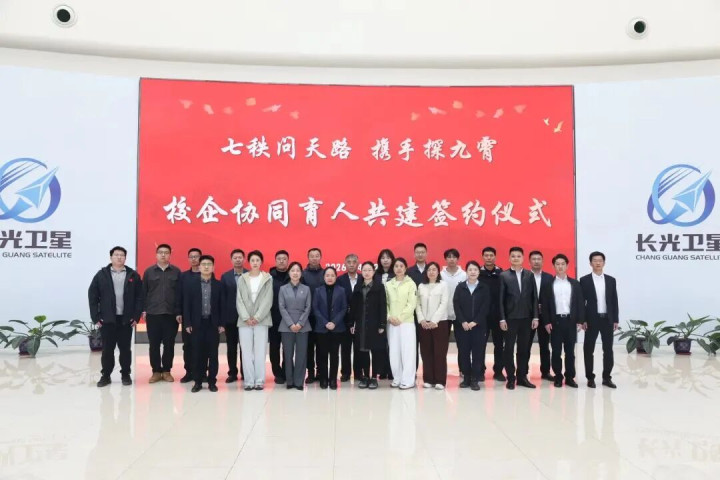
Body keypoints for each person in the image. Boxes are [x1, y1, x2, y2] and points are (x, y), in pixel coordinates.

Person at [88, 246, 143, 388]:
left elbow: (140, 297)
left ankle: (126, 374)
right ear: (111, 257)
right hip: (108, 320)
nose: (119, 257)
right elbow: (92, 296)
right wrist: (96, 317)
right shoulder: (101, 275)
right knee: (107, 350)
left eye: (122, 255)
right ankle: (105, 375)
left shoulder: (133, 275)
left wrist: (136, 316)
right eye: (116, 255)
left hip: (126, 319)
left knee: (125, 349)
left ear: (125, 258)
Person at [499, 247, 539, 390]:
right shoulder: (504, 276)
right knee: (508, 349)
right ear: (509, 258)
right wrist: (502, 319)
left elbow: (534, 297)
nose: (516, 258)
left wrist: (535, 317)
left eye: (518, 256)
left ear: (523, 258)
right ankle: (511, 377)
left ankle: (522, 377)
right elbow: (500, 299)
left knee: (524, 349)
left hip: (526, 318)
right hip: (510, 319)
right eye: (513, 256)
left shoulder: (529, 275)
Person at [183, 255, 225, 393]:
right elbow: (186, 305)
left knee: (213, 354)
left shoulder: (219, 285)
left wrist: (222, 323)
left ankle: (212, 381)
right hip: (197, 324)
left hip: (213, 324)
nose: (206, 267)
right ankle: (198, 381)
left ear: (213, 267)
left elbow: (222, 306)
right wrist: (187, 323)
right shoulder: (191, 285)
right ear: (199, 267)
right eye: (204, 264)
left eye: (209, 264)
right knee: (197, 354)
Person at [542, 254, 584, 388]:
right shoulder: (548, 284)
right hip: (555, 322)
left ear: (567, 266)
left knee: (570, 352)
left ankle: (570, 377)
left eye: (563, 264)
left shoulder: (575, 284)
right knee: (556, 351)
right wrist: (546, 322)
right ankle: (558, 377)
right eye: (557, 264)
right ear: (553, 266)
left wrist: (580, 321)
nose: (560, 266)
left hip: (570, 322)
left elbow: (580, 303)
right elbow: (545, 305)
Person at [142, 244, 181, 384]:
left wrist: (179, 312)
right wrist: (144, 310)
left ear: (170, 254)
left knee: (169, 344)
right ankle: (156, 371)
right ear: (156, 254)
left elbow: (180, 294)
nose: (163, 255)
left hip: (171, 314)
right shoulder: (149, 272)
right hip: (153, 314)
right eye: (160, 252)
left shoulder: (176, 272)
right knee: (154, 344)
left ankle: (167, 371)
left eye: (166, 252)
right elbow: (143, 292)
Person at [580, 251, 619, 389]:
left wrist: (615, 319)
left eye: (600, 260)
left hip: (607, 319)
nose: (598, 263)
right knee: (588, 349)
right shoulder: (584, 280)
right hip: (591, 320)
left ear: (604, 263)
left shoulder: (611, 280)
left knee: (608, 349)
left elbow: (614, 301)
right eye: (595, 260)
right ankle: (590, 378)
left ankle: (607, 378)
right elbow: (581, 302)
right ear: (590, 263)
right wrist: (583, 320)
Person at [236, 250, 274, 391]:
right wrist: (246, 317)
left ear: (261, 262)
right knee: (246, 352)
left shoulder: (267, 278)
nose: (255, 263)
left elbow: (268, 300)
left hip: (261, 320)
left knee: (260, 351)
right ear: (249, 262)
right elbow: (239, 299)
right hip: (244, 321)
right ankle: (248, 381)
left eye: (257, 260)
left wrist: (257, 317)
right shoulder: (242, 278)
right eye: (252, 260)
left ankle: (259, 381)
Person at [349, 261, 387, 389]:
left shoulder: (379, 287)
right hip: (361, 324)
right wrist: (351, 323)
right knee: (363, 351)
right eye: (364, 270)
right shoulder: (358, 287)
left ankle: (374, 377)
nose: (367, 272)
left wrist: (382, 324)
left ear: (373, 272)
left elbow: (383, 306)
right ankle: (365, 376)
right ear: (361, 272)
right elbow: (353, 307)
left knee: (375, 351)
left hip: (375, 324)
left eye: (369, 270)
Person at [453, 261, 490, 391]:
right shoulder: (460, 287)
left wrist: (475, 321)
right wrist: (463, 321)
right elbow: (456, 305)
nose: (473, 272)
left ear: (479, 272)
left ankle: (475, 379)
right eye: (470, 270)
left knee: (478, 353)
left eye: (475, 270)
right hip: (462, 326)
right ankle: (466, 378)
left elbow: (485, 306)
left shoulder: (484, 288)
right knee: (463, 352)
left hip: (479, 326)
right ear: (466, 272)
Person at [385, 258, 418, 389]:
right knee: (394, 351)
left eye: (401, 266)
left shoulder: (411, 284)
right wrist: (389, 317)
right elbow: (385, 303)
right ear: (393, 268)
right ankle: (397, 378)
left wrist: (400, 318)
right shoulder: (388, 284)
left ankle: (408, 380)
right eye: (396, 266)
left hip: (406, 323)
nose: (398, 268)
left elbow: (411, 304)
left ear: (405, 268)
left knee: (408, 352)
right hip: (392, 323)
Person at [416, 261, 449, 389]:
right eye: (429, 270)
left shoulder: (443, 285)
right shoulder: (421, 286)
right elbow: (417, 304)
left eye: (434, 269)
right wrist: (422, 320)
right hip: (424, 324)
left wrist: (434, 321)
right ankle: (428, 379)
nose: (431, 272)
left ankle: (440, 380)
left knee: (439, 352)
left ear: (438, 272)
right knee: (426, 352)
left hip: (440, 323)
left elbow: (444, 303)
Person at [278, 262, 312, 390]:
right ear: (289, 273)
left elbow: (308, 307)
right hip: (287, 326)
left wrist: (300, 323)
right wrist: (291, 324)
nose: (295, 273)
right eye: (293, 270)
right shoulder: (283, 289)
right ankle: (290, 381)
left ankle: (299, 382)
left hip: (303, 326)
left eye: (298, 270)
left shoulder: (306, 289)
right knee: (288, 355)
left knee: (301, 354)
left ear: (301, 273)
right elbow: (281, 307)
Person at [313, 266, 348, 390]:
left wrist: (334, 322)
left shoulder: (341, 290)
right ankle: (323, 379)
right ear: (323, 277)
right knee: (322, 354)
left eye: (332, 275)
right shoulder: (318, 291)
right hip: (321, 328)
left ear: (336, 277)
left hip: (337, 328)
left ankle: (333, 379)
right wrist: (325, 323)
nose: (330, 278)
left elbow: (344, 308)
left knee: (334, 355)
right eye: (327, 275)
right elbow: (315, 308)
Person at [175, 248, 202, 383]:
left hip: (203, 317)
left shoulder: (206, 275)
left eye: (196, 256)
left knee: (202, 345)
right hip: (187, 316)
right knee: (188, 345)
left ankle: (202, 372)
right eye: (191, 256)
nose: (194, 259)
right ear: (188, 259)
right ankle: (189, 372)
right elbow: (179, 295)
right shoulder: (183, 276)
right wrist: (178, 312)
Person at [478, 246, 505, 381]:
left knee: (499, 344)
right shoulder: (477, 273)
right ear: (483, 257)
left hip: (498, 316)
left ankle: (498, 371)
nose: (489, 258)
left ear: (495, 257)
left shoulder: (502, 273)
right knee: (480, 344)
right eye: (486, 255)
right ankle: (480, 371)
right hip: (482, 316)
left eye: (491, 255)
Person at [528, 250, 554, 381]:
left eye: (539, 259)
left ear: (542, 261)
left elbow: (552, 298)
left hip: (545, 316)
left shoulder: (549, 278)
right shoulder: (525, 276)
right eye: (534, 259)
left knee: (544, 345)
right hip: (528, 315)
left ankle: (545, 371)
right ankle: (523, 371)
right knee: (525, 345)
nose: (536, 261)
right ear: (529, 261)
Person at [220, 249, 245, 384]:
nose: (238, 260)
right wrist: (223, 320)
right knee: (231, 347)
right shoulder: (225, 277)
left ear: (244, 259)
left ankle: (246, 372)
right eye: (235, 258)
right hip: (231, 318)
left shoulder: (250, 275)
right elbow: (222, 299)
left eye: (240, 257)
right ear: (231, 260)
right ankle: (232, 373)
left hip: (246, 318)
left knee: (245, 347)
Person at [440, 248, 467, 377]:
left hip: (459, 315)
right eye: (449, 257)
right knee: (442, 345)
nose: (451, 259)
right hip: (443, 315)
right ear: (445, 259)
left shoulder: (464, 275)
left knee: (462, 344)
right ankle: (441, 370)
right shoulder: (440, 274)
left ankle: (463, 369)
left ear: (458, 259)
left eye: (454, 257)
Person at [302, 247, 324, 384]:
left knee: (321, 347)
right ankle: (310, 373)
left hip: (322, 317)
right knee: (309, 347)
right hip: (307, 317)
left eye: (317, 256)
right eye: (312, 256)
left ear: (320, 257)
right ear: (308, 258)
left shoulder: (325, 273)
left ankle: (320, 371)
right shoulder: (303, 274)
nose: (314, 258)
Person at [336, 253, 360, 382]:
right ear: (345, 264)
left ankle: (358, 373)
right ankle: (345, 373)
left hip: (359, 319)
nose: (351, 264)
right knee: (345, 348)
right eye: (349, 262)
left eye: (354, 262)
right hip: (344, 319)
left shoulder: (363, 278)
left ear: (358, 264)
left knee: (359, 348)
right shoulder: (340, 280)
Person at [373, 249, 395, 380]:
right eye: (383, 258)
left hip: (393, 313)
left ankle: (392, 370)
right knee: (380, 344)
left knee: (392, 343)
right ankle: (381, 370)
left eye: (388, 258)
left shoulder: (396, 273)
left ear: (392, 260)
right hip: (378, 313)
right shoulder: (375, 275)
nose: (385, 260)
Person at [269, 250, 290, 384]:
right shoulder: (269, 277)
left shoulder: (293, 275)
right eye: (279, 259)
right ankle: (277, 373)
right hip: (274, 318)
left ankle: (287, 371)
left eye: (284, 259)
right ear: (275, 260)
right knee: (274, 347)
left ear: (288, 261)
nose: (281, 261)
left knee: (288, 347)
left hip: (289, 318)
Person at [406, 242, 427, 371]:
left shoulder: (432, 270)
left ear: (426, 253)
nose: (420, 254)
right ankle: (412, 372)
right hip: (412, 314)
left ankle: (428, 372)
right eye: (418, 252)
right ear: (414, 254)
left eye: (422, 252)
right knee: (412, 345)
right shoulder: (408, 272)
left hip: (428, 314)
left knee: (426, 346)